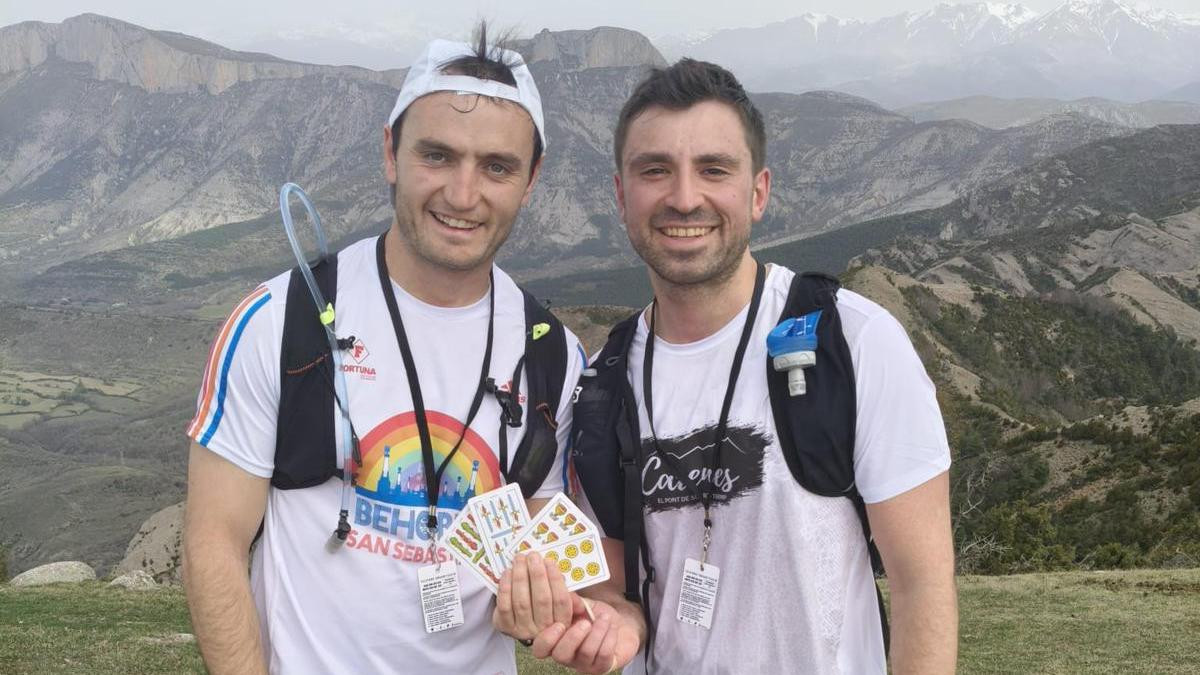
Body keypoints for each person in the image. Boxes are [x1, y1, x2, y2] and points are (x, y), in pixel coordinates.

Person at [512, 58, 958, 674]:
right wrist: (609, 620)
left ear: (758, 191)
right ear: (621, 194)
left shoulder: (852, 341)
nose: (684, 197)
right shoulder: (601, 383)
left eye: (713, 170)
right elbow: (620, 591)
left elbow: (923, 589)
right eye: (655, 171)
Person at [181, 27, 585, 675]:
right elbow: (213, 541)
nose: (462, 193)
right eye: (437, 156)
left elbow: (539, 554)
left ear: (531, 179)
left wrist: (539, 603)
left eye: (497, 167)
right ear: (390, 152)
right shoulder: (280, 320)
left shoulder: (554, 359)